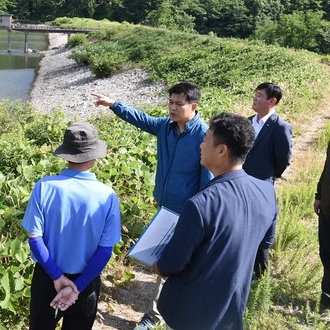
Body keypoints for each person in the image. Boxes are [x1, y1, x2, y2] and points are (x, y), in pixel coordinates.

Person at [92, 81, 212, 330]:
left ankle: (155, 315)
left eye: (179, 103)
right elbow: (140, 118)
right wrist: (114, 104)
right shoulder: (165, 127)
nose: (173, 108)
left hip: (187, 210)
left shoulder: (203, 135)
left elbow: (207, 180)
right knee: (165, 260)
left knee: (171, 261)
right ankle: (167, 311)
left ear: (194, 106)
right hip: (164, 207)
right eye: (170, 102)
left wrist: (198, 213)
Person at [152, 113, 277, 330]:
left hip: (190, 312)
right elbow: (266, 242)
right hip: (232, 306)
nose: (200, 145)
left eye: (205, 140)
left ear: (222, 150)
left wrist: (158, 266)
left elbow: (172, 263)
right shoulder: (267, 191)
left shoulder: (201, 204)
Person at [22, 122, 122, 330]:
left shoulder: (44, 187)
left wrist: (57, 277)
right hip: (87, 280)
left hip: (47, 276)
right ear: (94, 157)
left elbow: (34, 239)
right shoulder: (107, 196)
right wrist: (77, 287)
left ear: (66, 155)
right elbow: (105, 251)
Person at [243, 82, 292, 279]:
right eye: (255, 94)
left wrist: (270, 175)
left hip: (261, 183)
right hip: (241, 182)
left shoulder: (280, 127)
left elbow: (284, 159)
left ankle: (261, 272)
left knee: (261, 227)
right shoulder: (247, 122)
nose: (255, 98)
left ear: (272, 101)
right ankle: (246, 268)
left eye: (260, 95)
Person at [315, 141, 330, 311]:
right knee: (325, 253)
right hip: (326, 206)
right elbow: (327, 167)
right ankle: (326, 296)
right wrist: (319, 195)